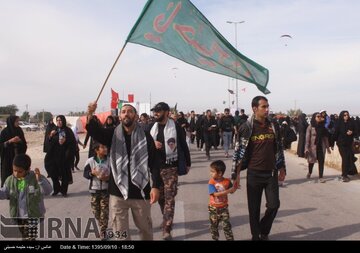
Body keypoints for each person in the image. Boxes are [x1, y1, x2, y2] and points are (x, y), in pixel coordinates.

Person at [86, 102, 161, 240]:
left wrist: (155, 186)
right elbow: (95, 131)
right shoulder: (112, 134)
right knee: (120, 233)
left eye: (130, 111)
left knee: (145, 230)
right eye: (123, 111)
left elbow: (155, 163)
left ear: (136, 116)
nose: (126, 113)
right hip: (117, 192)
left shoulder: (145, 136)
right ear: (119, 116)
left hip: (141, 191)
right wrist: (90, 113)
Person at [231, 96, 286, 241]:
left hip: (271, 173)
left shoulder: (273, 125)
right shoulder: (246, 127)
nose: (267, 109)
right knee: (254, 209)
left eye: (268, 106)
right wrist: (235, 176)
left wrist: (282, 167)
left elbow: (279, 147)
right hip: (254, 174)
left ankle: (263, 229)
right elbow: (238, 153)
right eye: (264, 106)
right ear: (255, 108)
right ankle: (256, 236)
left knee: (274, 205)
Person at [150, 102, 191, 240]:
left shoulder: (176, 126)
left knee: (169, 198)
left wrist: (188, 162)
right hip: (155, 168)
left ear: (166, 112)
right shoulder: (152, 127)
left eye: (158, 111)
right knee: (161, 198)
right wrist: (152, 143)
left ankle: (166, 228)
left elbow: (183, 144)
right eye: (154, 111)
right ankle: (166, 217)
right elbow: (143, 141)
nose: (155, 113)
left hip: (170, 167)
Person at [0, 154, 52, 240]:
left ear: (28, 169)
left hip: (32, 216)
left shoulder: (36, 178)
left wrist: (40, 180)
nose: (16, 174)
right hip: (18, 216)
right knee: (26, 237)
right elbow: (4, 193)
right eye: (14, 170)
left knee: (28, 238)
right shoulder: (10, 180)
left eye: (20, 171)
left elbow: (48, 191)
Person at [83, 142, 110, 240]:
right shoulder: (90, 161)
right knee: (96, 212)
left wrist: (107, 178)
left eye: (105, 147)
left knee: (104, 212)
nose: (105, 149)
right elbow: (85, 174)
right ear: (96, 150)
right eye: (102, 147)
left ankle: (103, 231)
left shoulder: (109, 161)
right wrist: (92, 173)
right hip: (94, 190)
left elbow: (114, 175)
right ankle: (101, 223)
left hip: (105, 190)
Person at [44, 115, 76, 197]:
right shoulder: (54, 130)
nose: (59, 122)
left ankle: (63, 191)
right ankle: (56, 189)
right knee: (53, 172)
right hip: (54, 155)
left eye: (60, 120)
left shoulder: (68, 131)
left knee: (64, 174)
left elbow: (73, 143)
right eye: (57, 120)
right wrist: (50, 136)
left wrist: (66, 141)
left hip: (64, 156)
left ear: (63, 121)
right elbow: (48, 143)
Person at [208, 160, 235, 241]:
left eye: (212, 172)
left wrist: (235, 187)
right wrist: (228, 191)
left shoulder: (227, 181)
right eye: (211, 171)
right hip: (213, 209)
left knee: (227, 226)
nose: (210, 173)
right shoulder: (211, 182)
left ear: (220, 173)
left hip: (224, 208)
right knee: (214, 227)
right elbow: (215, 194)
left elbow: (232, 190)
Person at [0, 116, 27, 187]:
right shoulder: (4, 132)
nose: (18, 123)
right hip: (8, 157)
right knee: (7, 174)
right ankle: (6, 191)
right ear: (11, 122)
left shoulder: (19, 130)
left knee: (20, 173)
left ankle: (21, 189)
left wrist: (20, 140)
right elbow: (1, 145)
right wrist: (10, 141)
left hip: (18, 156)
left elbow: (24, 143)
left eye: (18, 121)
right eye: (16, 121)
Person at [304, 113, 331, 183]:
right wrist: (306, 148)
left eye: (320, 116)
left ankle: (321, 177)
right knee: (311, 162)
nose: (319, 118)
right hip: (312, 148)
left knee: (321, 162)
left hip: (321, 147)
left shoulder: (323, 127)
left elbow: (325, 138)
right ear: (314, 118)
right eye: (318, 116)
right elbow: (307, 139)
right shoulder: (310, 127)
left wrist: (328, 148)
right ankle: (310, 172)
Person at [333, 110, 357, 182]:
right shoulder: (339, 124)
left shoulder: (351, 123)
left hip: (349, 144)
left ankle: (348, 172)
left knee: (350, 158)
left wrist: (352, 132)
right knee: (345, 158)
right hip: (341, 144)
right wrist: (331, 143)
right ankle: (344, 175)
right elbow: (335, 134)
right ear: (342, 116)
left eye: (347, 115)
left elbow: (356, 131)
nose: (346, 116)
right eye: (345, 115)